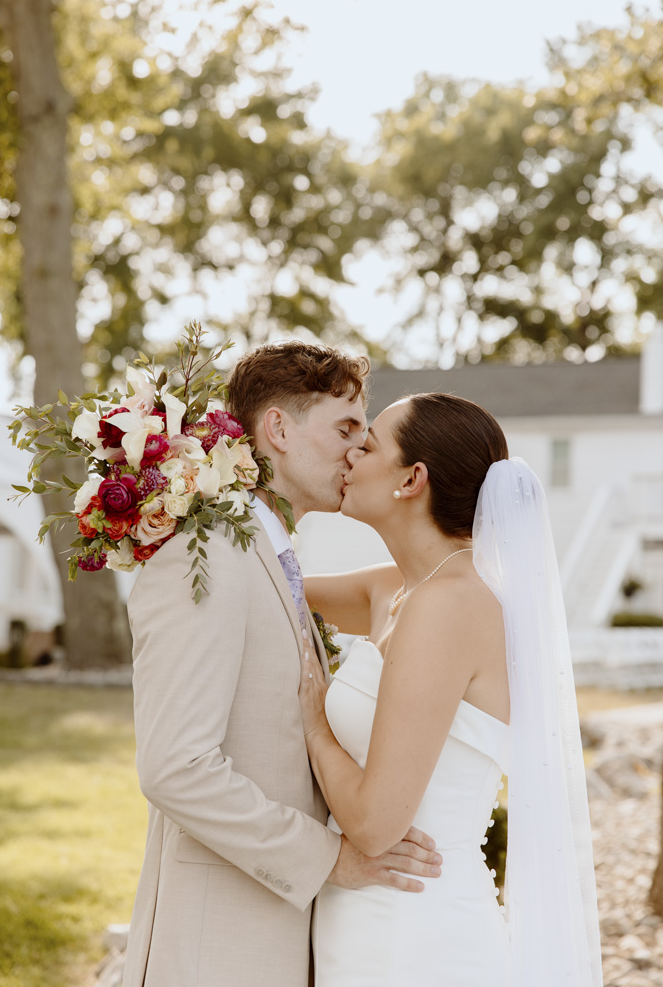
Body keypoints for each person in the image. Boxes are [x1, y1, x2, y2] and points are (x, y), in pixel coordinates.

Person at [122, 344, 442, 987]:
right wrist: (329, 860)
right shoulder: (204, 554)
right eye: (345, 428)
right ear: (278, 429)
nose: (357, 451)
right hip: (218, 948)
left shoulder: (271, 556)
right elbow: (176, 767)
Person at [300, 392, 603, 987]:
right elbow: (274, 586)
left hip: (416, 935)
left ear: (412, 479)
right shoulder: (399, 588)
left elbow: (374, 825)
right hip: (363, 921)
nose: (350, 456)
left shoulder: (452, 605)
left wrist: (313, 723)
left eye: (369, 445)